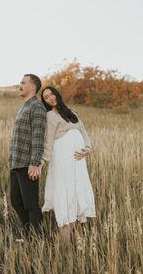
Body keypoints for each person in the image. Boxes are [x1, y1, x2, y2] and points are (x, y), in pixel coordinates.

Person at [40, 86, 96, 240]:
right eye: (46, 97)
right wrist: (41, 163)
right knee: (65, 192)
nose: (50, 98)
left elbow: (83, 131)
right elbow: (49, 141)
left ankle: (72, 239)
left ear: (57, 94)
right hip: (62, 159)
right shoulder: (50, 115)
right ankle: (64, 244)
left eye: (52, 94)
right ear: (45, 101)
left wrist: (87, 149)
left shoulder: (72, 112)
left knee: (76, 192)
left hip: (77, 161)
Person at [9, 74, 47, 236]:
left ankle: (38, 239)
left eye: (23, 82)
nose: (20, 85)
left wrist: (34, 162)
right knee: (16, 202)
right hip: (16, 162)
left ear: (33, 87)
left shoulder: (37, 107)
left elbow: (38, 136)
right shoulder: (25, 106)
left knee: (31, 204)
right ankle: (28, 233)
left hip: (27, 163)